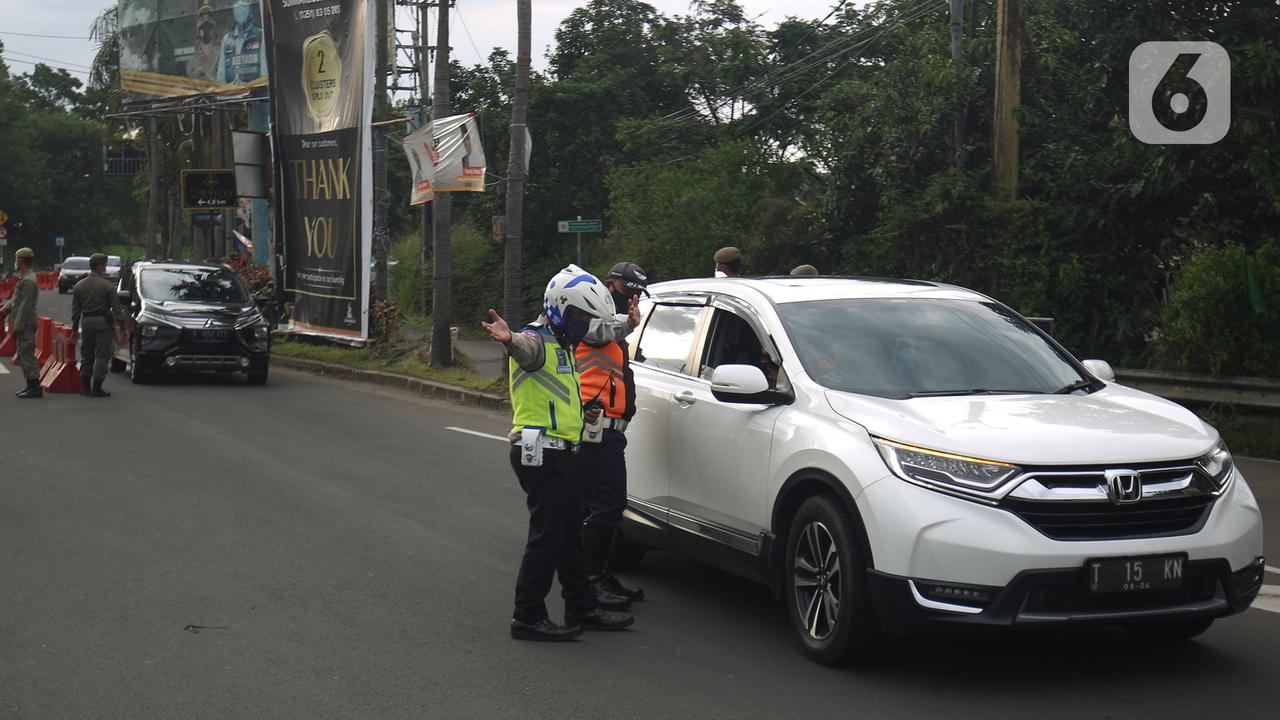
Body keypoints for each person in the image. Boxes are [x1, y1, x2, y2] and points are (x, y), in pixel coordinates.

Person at [482, 264, 635, 642]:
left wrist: (625, 324)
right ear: (558, 308)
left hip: (563, 453)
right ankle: (527, 615)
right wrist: (508, 339)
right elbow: (525, 350)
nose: (584, 325)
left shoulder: (564, 341)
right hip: (541, 453)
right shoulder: (537, 340)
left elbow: (602, 329)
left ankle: (581, 604)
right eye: (579, 316)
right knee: (547, 537)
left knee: (569, 537)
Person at [576, 262, 647, 606]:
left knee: (608, 506)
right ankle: (592, 582)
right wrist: (628, 323)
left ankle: (602, 576)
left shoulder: (612, 328)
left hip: (610, 430)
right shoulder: (590, 323)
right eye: (625, 291)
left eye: (636, 294)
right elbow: (600, 332)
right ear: (608, 285)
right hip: (594, 430)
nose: (630, 300)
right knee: (604, 506)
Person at [71, 254, 125, 398]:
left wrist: (75, 329)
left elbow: (76, 311)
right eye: (104, 264)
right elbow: (117, 309)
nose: (105, 266)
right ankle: (97, 388)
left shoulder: (79, 285)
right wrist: (123, 328)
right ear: (100, 266)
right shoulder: (107, 286)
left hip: (86, 323)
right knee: (102, 355)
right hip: (103, 323)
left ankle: (85, 387)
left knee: (86, 355)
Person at [1, 248, 42, 399]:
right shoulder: (25, 278)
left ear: (21, 261)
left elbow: (25, 306)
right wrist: (4, 310)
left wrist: (17, 326)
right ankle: (30, 385)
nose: (15, 261)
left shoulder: (28, 281)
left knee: (26, 354)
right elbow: (16, 299)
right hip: (23, 322)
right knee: (24, 354)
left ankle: (35, 387)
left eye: (17, 259)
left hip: (25, 323)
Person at [217, 0, 265, 85]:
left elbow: (265, 75)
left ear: (250, 11)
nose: (240, 11)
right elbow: (220, 78)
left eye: (243, 8)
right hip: (231, 96)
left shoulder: (260, 36)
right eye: (237, 9)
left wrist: (248, 86)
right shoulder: (227, 39)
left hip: (255, 96)